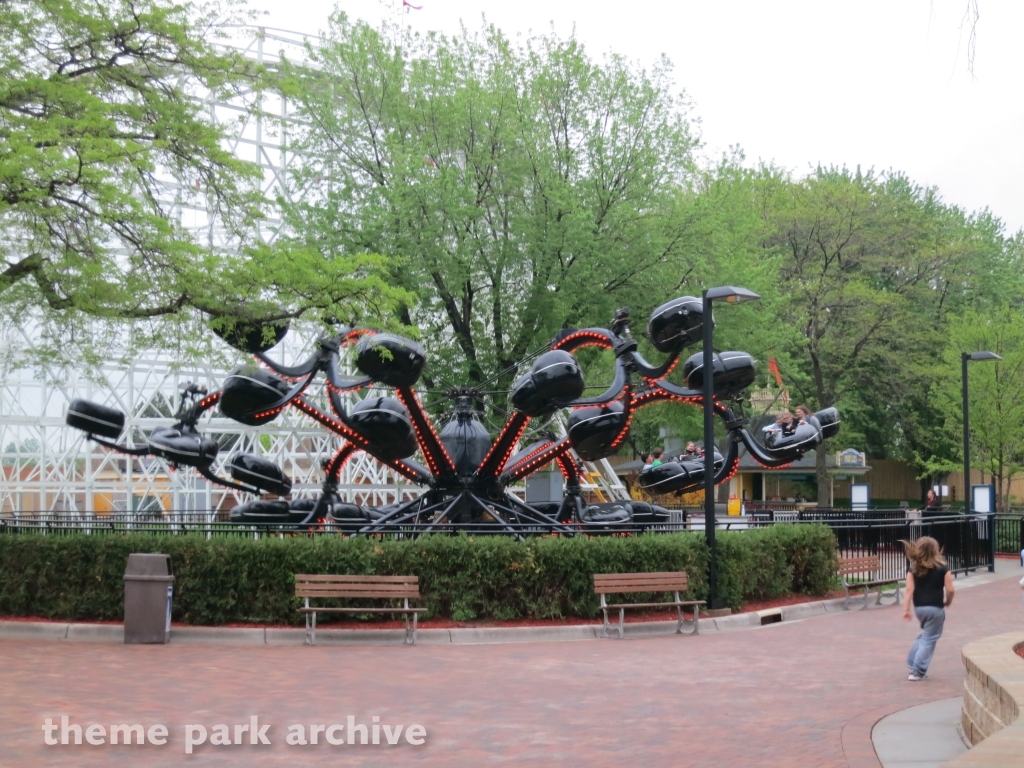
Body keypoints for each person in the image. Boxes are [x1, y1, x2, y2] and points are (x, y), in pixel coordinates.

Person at [901, 536, 954, 681]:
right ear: (935, 551)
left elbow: (908, 590)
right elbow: (950, 590)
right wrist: (947, 601)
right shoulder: (943, 569)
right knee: (930, 638)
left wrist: (906, 610)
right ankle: (917, 671)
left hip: (919, 609)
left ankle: (912, 661)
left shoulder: (913, 570)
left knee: (925, 635)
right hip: (935, 608)